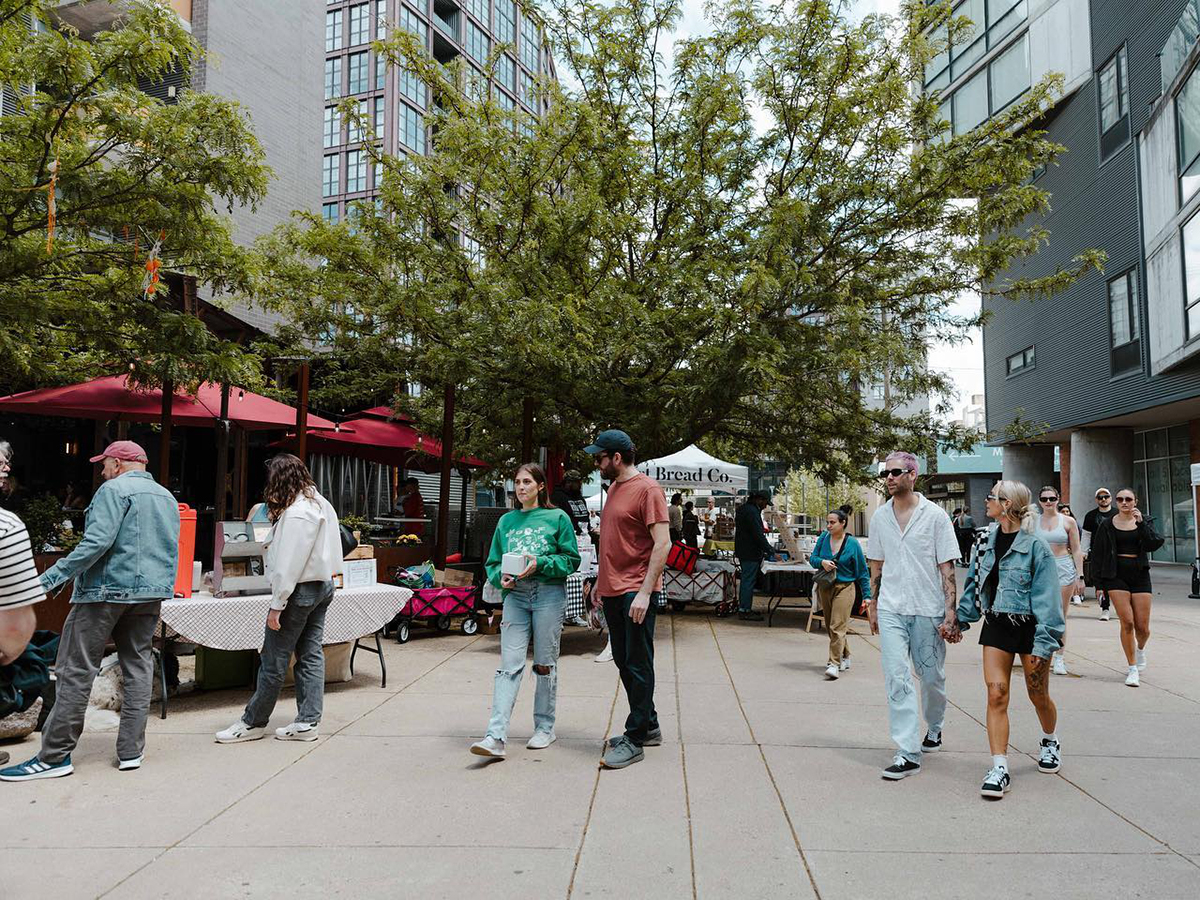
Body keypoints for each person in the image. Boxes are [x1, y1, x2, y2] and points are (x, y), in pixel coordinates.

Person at [1, 441, 180, 782]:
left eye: (105, 464)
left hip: (105, 591)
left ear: (119, 463)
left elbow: (96, 543)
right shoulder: (166, 496)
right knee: (139, 665)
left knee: (74, 669)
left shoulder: (113, 491)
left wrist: (49, 578)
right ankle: (131, 751)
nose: (102, 471)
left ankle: (54, 757)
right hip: (150, 593)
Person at [215, 454, 343, 744]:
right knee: (310, 655)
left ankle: (253, 722)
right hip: (322, 585)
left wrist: (276, 605)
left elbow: (288, 565)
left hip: (299, 590)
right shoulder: (319, 502)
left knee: (273, 659)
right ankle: (308, 721)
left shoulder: (297, 513)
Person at [956, 480, 1065, 800]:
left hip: (1031, 628)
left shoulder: (1036, 547)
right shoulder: (985, 541)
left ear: (1006, 504)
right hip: (998, 624)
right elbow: (976, 583)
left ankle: (1050, 740)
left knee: (1038, 694)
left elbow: (1049, 600)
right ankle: (999, 767)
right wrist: (962, 619)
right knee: (996, 693)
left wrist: (1046, 641)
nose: (986, 501)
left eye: (992, 497)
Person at [471, 464, 580, 759]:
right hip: (515, 596)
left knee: (544, 663)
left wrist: (541, 563)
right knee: (508, 665)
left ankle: (545, 727)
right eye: (517, 482)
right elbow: (493, 563)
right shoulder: (506, 521)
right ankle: (495, 736)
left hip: (548, 594)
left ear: (541, 486)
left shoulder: (558, 518)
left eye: (527, 482)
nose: (520, 487)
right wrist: (499, 578)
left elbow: (571, 560)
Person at [866, 451, 961, 781]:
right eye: (885, 473)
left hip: (927, 609)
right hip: (892, 607)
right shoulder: (880, 518)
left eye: (895, 472)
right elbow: (875, 564)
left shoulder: (935, 516)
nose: (889, 478)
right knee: (897, 677)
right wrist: (873, 604)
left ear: (912, 475)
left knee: (931, 677)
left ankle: (934, 726)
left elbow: (947, 567)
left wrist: (951, 613)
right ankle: (907, 751)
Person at [585, 429, 669, 770]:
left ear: (616, 458)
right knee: (623, 660)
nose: (596, 463)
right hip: (613, 588)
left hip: (636, 589)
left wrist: (646, 592)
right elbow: (613, 542)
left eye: (600, 457)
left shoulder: (648, 490)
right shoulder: (615, 489)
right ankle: (648, 725)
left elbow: (663, 544)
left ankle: (635, 738)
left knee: (637, 662)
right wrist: (598, 585)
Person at [1091, 488, 1164, 688]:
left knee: (1143, 627)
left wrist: (1141, 524)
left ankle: (1140, 649)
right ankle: (1132, 668)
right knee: (1128, 622)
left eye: (1128, 499)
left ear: (1135, 501)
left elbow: (1155, 544)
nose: (1124, 502)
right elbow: (1097, 555)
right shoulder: (1107, 524)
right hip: (1115, 575)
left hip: (1139, 574)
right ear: (1116, 502)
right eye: (1120, 499)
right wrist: (1099, 584)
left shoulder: (1145, 521)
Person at [0, 442, 45, 769]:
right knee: (34, 670)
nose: (7, 468)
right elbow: (16, 625)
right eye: (1, 462)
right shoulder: (7, 527)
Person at [809, 508, 871, 679]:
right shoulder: (823, 538)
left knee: (837, 625)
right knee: (832, 626)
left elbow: (862, 572)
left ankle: (833, 663)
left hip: (845, 587)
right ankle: (845, 655)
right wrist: (822, 562)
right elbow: (812, 559)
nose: (828, 526)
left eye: (832, 522)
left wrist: (867, 596)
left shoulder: (852, 544)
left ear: (843, 523)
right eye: (827, 522)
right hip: (826, 587)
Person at [1035, 486, 1084, 676]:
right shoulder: (1033, 522)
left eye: (1052, 498)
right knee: (1038, 612)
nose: (1048, 502)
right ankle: (1039, 653)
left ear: (1058, 499)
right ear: (1039, 501)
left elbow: (1077, 549)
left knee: (1060, 615)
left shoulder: (1068, 521)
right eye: (1044, 499)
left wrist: (1080, 576)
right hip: (1040, 568)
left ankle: (1060, 658)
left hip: (1063, 566)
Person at [734, 491, 776, 622]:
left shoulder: (745, 509)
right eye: (765, 503)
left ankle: (745, 608)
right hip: (750, 552)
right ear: (759, 499)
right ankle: (744, 610)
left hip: (744, 550)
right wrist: (770, 551)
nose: (765, 506)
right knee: (748, 581)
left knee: (747, 580)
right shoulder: (752, 512)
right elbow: (758, 534)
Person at [1081, 488, 1117, 621]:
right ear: (1096, 499)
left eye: (1106, 496)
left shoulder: (1117, 513)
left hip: (1116, 552)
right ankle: (1105, 608)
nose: (1103, 499)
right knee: (1101, 582)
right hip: (1097, 553)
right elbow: (1086, 535)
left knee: (1117, 580)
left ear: (1110, 498)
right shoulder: (1090, 516)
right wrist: (1083, 551)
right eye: (1100, 497)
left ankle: (1120, 607)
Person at [550, 470, 590, 537]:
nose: (580, 484)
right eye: (577, 482)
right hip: (567, 537)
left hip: (584, 537)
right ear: (568, 482)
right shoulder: (557, 497)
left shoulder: (580, 497)